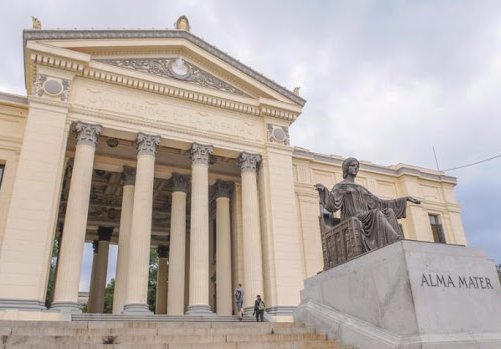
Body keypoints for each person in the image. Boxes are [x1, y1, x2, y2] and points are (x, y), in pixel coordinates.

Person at [315, 157, 421, 251]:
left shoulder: (361, 188)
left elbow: (380, 203)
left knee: (388, 211)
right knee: (375, 213)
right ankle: (394, 239)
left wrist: (405, 199)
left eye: (357, 166)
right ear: (346, 168)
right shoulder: (340, 187)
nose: (356, 168)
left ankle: (395, 240)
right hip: (353, 217)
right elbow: (332, 202)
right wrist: (323, 191)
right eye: (353, 166)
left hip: (366, 216)